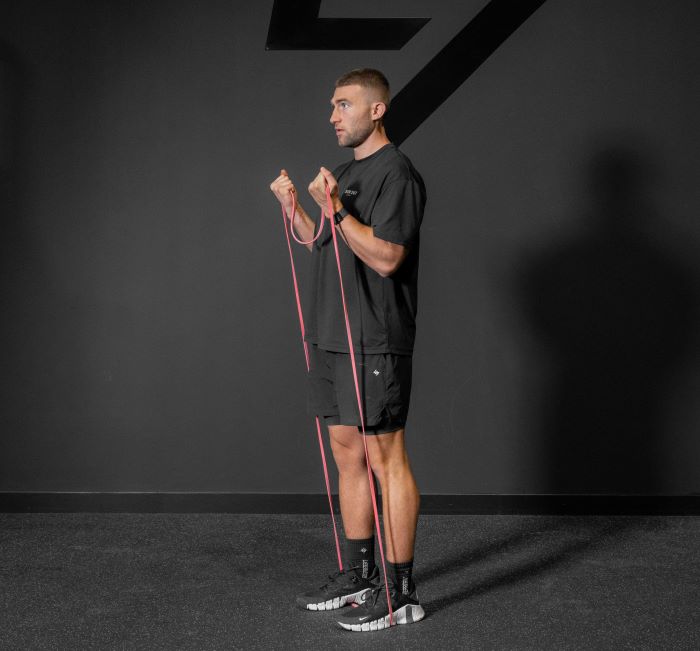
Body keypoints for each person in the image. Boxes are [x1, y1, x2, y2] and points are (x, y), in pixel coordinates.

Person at [269, 68, 426, 632]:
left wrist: (336, 209)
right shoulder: (343, 171)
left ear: (376, 110)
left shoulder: (397, 173)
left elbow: (386, 257)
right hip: (333, 337)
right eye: (332, 106)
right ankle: (361, 575)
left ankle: (401, 589)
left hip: (375, 339)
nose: (333, 116)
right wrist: (298, 211)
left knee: (387, 459)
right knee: (345, 453)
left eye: (343, 105)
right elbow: (327, 245)